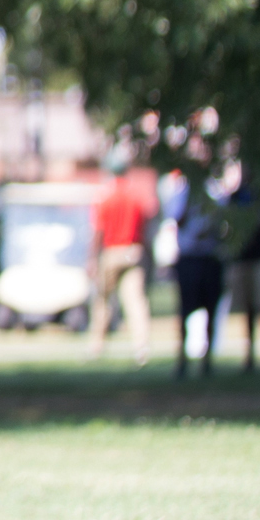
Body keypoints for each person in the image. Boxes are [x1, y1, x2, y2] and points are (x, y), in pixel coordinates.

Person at [87, 149, 153, 363]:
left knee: (103, 301)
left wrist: (91, 258)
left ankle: (97, 345)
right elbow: (146, 225)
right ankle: (141, 347)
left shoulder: (105, 197)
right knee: (135, 301)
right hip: (133, 251)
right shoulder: (136, 196)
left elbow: (98, 231)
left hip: (112, 251)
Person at [169, 172, 231, 378]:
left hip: (209, 256)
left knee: (211, 309)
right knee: (185, 310)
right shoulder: (181, 193)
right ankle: (182, 360)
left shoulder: (216, 192)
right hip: (188, 258)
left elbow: (224, 222)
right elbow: (177, 219)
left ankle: (207, 360)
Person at [226, 172, 260, 371]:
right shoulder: (236, 195)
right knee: (248, 307)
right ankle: (250, 354)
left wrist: (254, 220)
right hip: (245, 257)